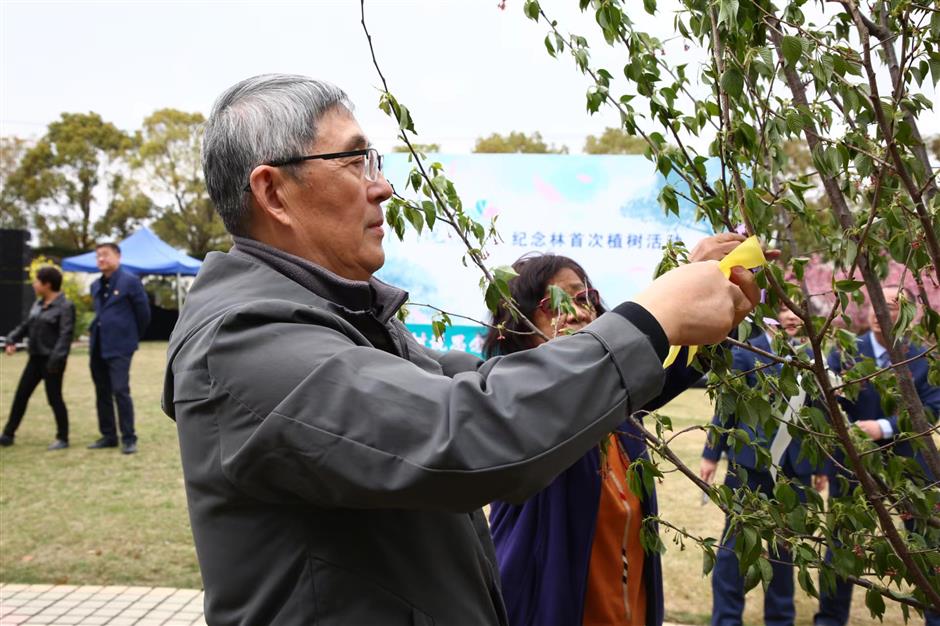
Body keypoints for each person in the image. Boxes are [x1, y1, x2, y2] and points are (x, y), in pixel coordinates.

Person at [162, 73, 761, 625]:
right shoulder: (244, 341)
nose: (383, 186)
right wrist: (651, 318)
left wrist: (680, 329)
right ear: (272, 192)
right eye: (353, 160)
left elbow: (513, 382)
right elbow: (468, 432)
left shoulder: (349, 320)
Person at [485, 247, 740, 626]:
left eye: (585, 297)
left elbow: (690, 353)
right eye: (554, 303)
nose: (578, 311)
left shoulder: (616, 408)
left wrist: (720, 276)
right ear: (517, 325)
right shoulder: (516, 402)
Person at [816, 286, 940, 626]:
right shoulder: (844, 352)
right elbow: (828, 407)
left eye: (887, 306)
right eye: (872, 304)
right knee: (842, 542)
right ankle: (829, 618)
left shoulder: (921, 357)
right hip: (853, 465)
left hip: (911, 465)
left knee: (927, 543)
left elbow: (931, 409)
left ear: (909, 314)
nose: (875, 311)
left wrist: (884, 427)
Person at [699, 309, 827, 626]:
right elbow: (726, 407)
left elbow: (821, 414)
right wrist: (711, 453)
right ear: (773, 316)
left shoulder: (812, 357)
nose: (792, 316)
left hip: (794, 468)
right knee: (735, 545)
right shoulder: (746, 352)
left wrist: (820, 462)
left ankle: (780, 619)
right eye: (786, 309)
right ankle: (726, 619)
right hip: (749, 466)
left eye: (798, 310)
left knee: (784, 547)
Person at [0, 266, 75, 450]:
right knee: (21, 395)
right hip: (35, 358)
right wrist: (11, 339)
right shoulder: (38, 305)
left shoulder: (65, 306)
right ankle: (8, 434)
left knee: (54, 398)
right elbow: (26, 325)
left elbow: (66, 336)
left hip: (52, 361)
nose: (34, 284)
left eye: (37, 281)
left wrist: (56, 361)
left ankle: (63, 437)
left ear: (47, 284)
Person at [87, 242, 150, 455]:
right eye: (98, 256)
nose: (101, 259)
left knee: (120, 390)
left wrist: (131, 336)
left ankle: (129, 437)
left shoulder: (130, 281)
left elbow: (143, 314)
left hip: (120, 345)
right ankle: (108, 435)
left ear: (118, 256)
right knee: (101, 391)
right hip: (98, 344)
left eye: (105, 255)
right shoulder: (96, 285)